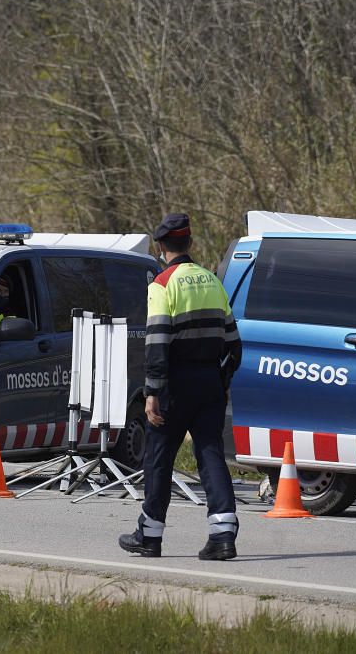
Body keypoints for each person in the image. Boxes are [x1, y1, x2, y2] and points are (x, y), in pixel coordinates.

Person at [118, 213, 242, 560]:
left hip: (175, 384)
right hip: (209, 383)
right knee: (210, 454)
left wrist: (153, 393)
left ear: (161, 247)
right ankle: (222, 535)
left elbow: (157, 342)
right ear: (190, 243)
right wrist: (220, 382)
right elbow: (234, 344)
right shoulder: (212, 281)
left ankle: (150, 535)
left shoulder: (162, 284)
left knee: (158, 457)